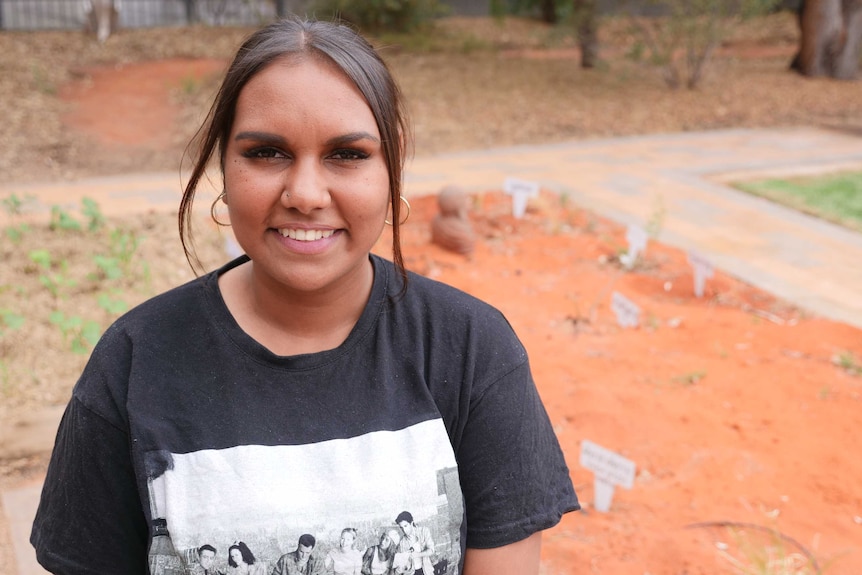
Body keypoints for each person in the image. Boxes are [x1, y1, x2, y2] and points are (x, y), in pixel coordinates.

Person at [30, 16, 578, 575]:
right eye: (267, 153)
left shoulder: (472, 350)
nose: (306, 194)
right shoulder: (134, 360)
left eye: (348, 154)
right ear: (225, 165)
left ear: (393, 169)